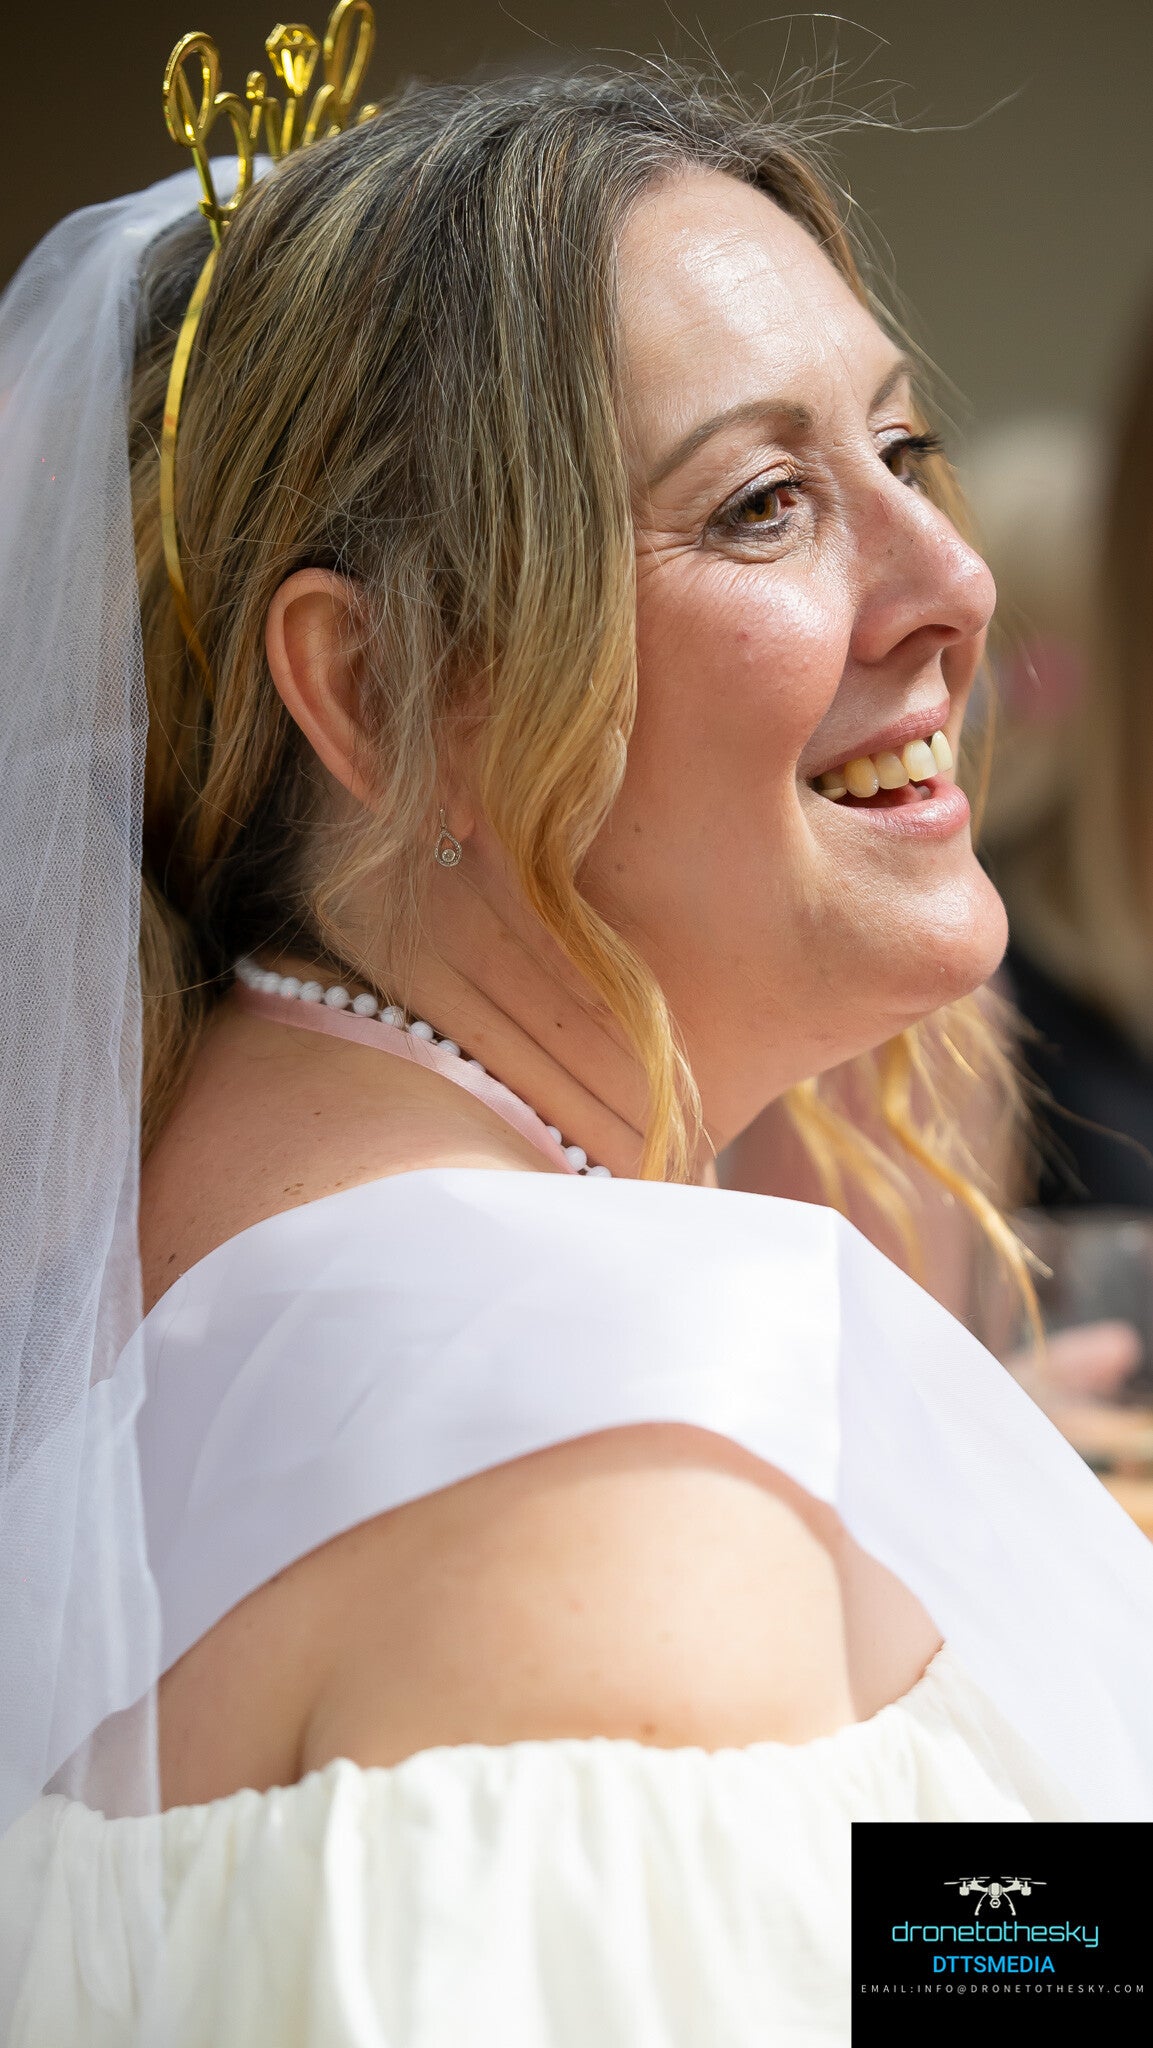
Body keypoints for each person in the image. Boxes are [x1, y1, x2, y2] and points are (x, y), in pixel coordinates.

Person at [2, 13, 1153, 2044]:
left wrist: (976, 1558)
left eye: (901, 454)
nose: (953, 584)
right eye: (763, 503)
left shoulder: (293, 1243)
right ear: (371, 690)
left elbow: (811, 1934)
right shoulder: (596, 1448)